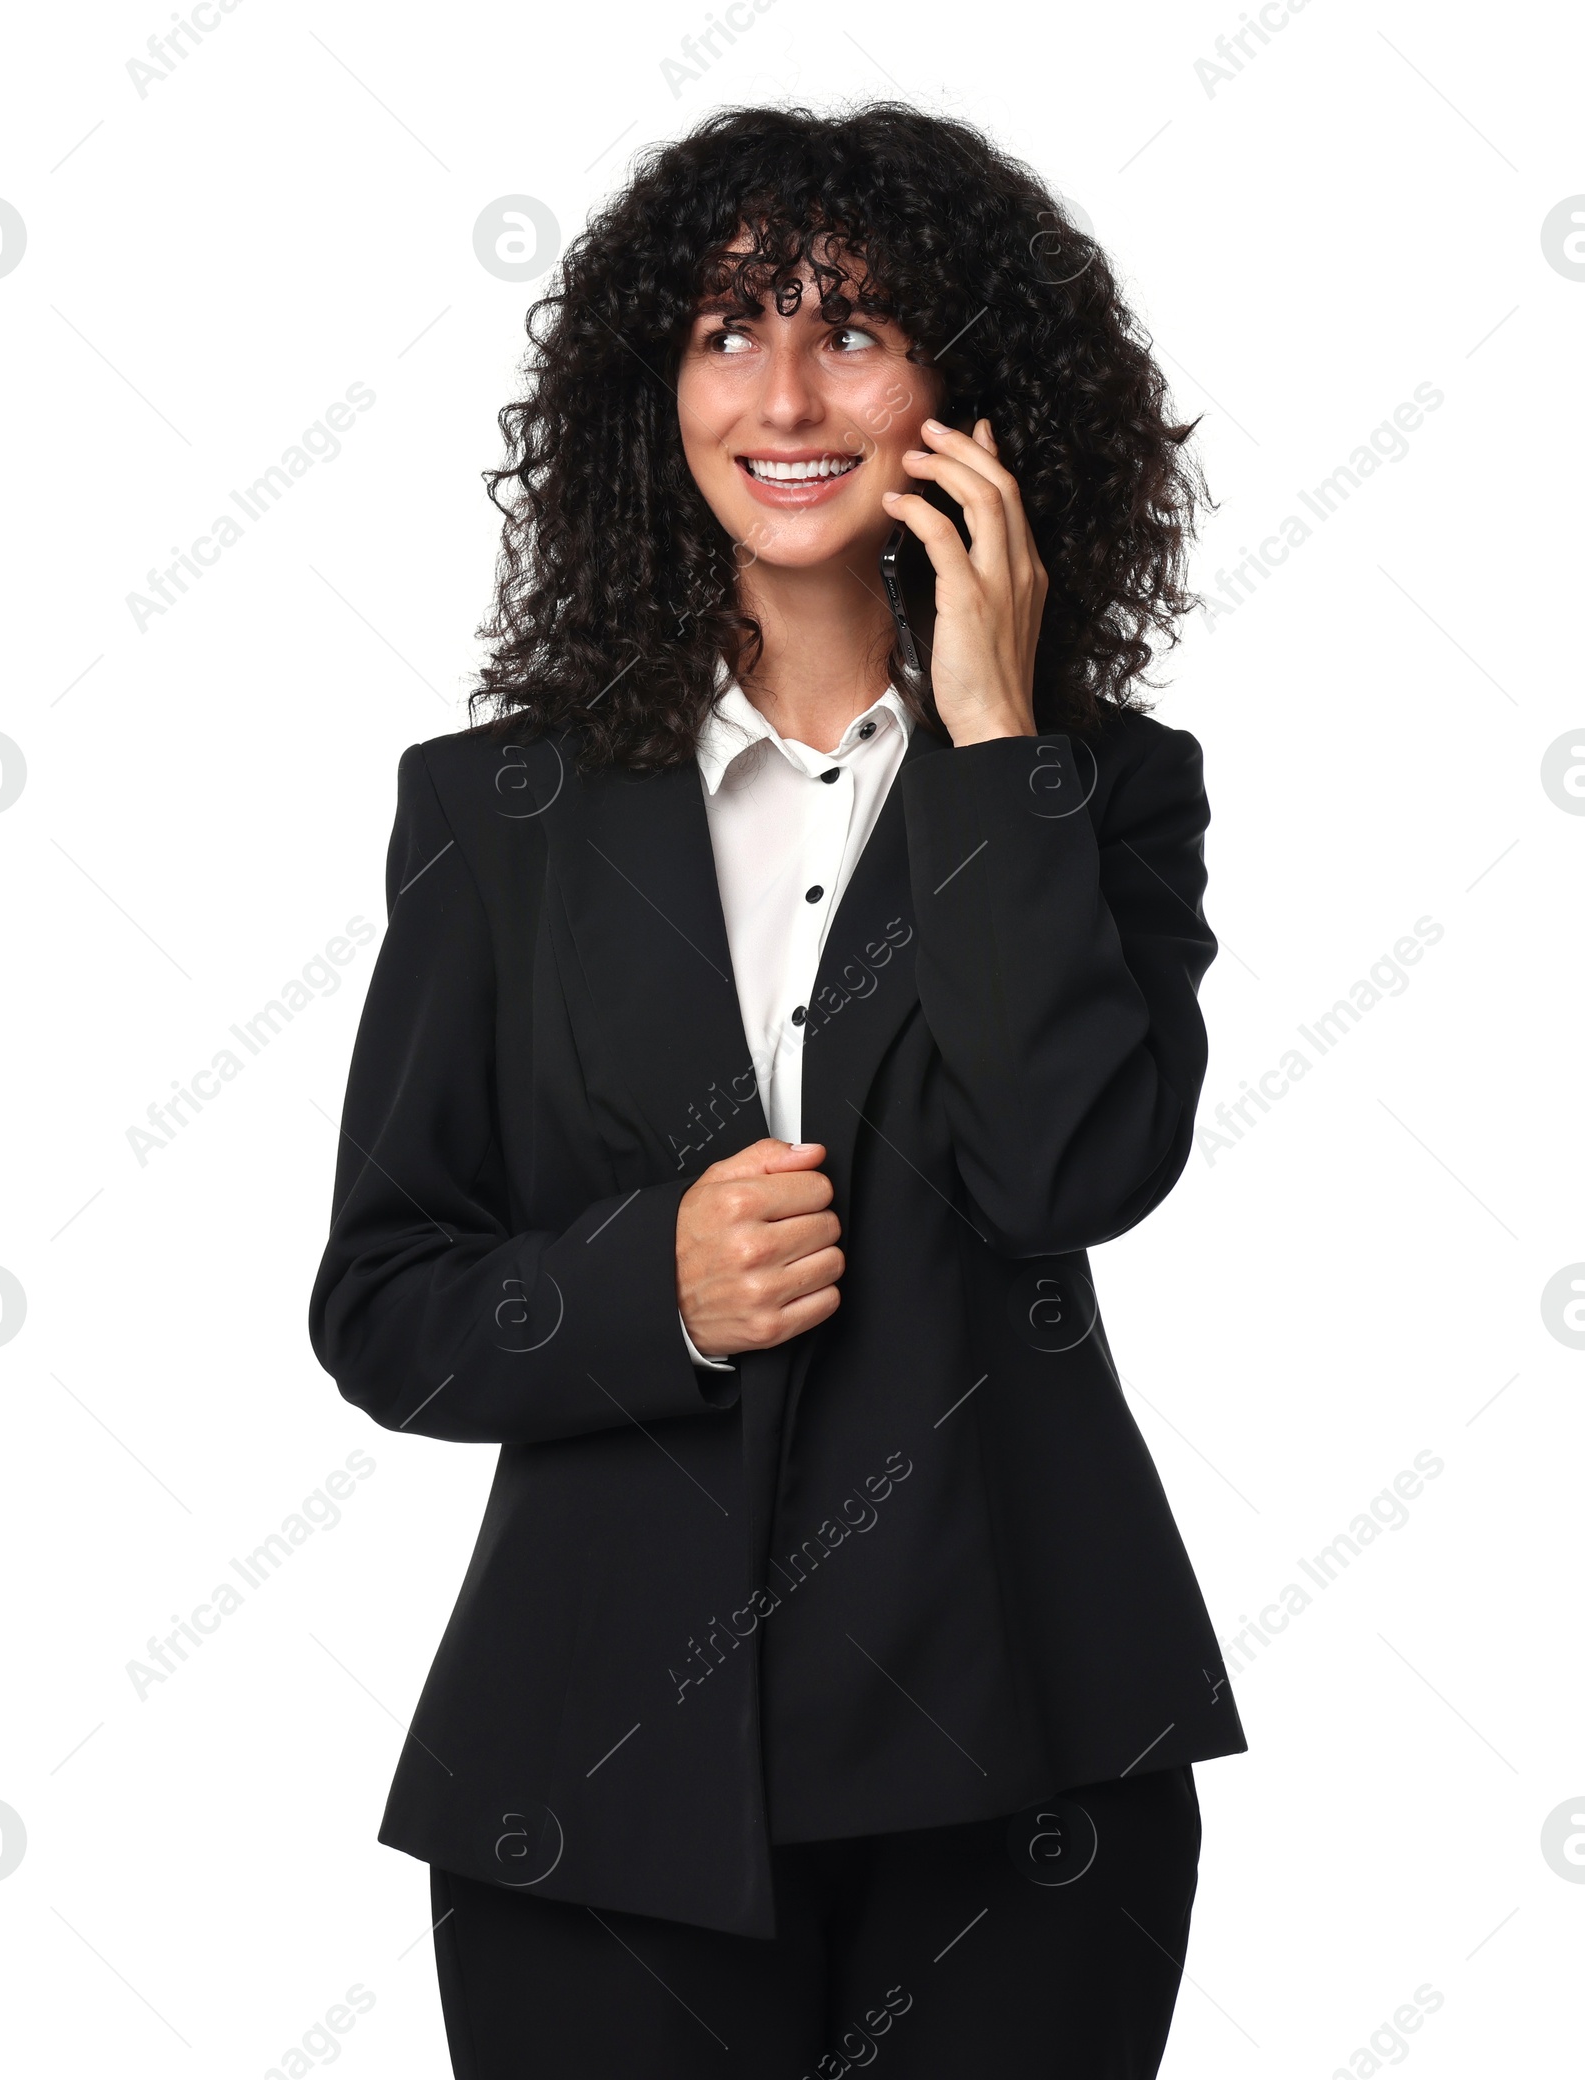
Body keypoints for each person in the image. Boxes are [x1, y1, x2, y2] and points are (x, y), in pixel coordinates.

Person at [310, 100, 1246, 2080]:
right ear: (653, 391)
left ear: (965, 390)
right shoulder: (500, 813)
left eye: (853, 325)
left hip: (1023, 1771)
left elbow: (1067, 1166)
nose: (787, 389)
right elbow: (383, 1295)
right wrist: (650, 1281)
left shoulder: (1102, 790)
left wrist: (994, 742)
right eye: (729, 329)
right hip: (594, 1790)